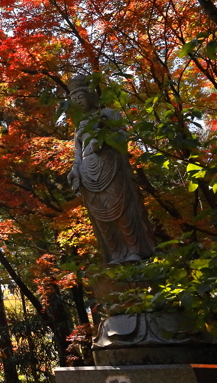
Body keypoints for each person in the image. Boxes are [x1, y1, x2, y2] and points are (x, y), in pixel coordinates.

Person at [67, 75, 157, 265]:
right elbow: (78, 152)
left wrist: (105, 134)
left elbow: (123, 139)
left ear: (91, 96)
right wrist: (75, 169)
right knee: (102, 218)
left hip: (110, 165)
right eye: (73, 100)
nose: (78, 103)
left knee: (122, 209)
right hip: (87, 171)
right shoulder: (80, 126)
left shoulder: (109, 114)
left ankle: (134, 250)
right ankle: (116, 253)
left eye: (80, 97)